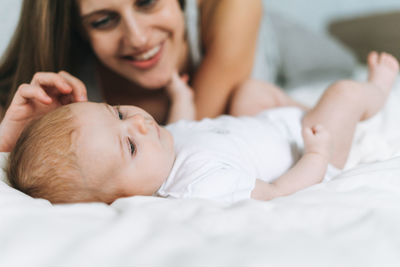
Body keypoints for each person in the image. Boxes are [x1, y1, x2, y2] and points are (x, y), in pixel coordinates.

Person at [3, 52, 398, 204]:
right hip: (311, 148)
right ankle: (376, 92)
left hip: (273, 123)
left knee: (249, 92)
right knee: (344, 92)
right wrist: (317, 154)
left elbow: (188, 126)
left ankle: (314, 110)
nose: (139, 123)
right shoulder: (201, 185)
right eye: (130, 148)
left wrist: (180, 95)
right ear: (120, 197)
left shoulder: (164, 150)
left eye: (118, 113)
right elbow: (277, 191)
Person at [0, 0, 354, 122]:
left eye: (149, 1)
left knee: (350, 60)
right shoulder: (63, 74)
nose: (138, 38)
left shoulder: (232, 8)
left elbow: (191, 136)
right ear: (77, 33)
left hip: (290, 47)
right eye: (103, 20)